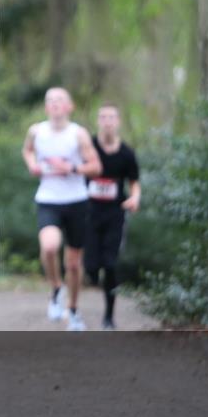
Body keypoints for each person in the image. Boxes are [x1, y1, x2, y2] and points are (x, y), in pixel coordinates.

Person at [22, 87, 101, 331]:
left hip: (77, 200)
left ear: (70, 106)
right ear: (46, 107)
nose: (55, 104)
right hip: (48, 199)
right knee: (49, 246)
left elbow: (96, 167)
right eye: (51, 101)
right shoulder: (36, 131)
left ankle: (74, 310)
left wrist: (72, 169)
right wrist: (33, 165)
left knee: (75, 264)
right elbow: (27, 151)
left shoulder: (79, 134)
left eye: (60, 100)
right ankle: (57, 287)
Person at [85, 104, 140, 330]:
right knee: (91, 265)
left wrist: (135, 198)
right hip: (88, 212)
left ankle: (109, 316)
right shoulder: (88, 147)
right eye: (103, 117)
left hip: (115, 214)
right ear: (98, 120)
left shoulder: (127, 153)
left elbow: (134, 183)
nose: (107, 121)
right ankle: (90, 273)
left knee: (110, 264)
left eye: (111, 117)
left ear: (117, 122)